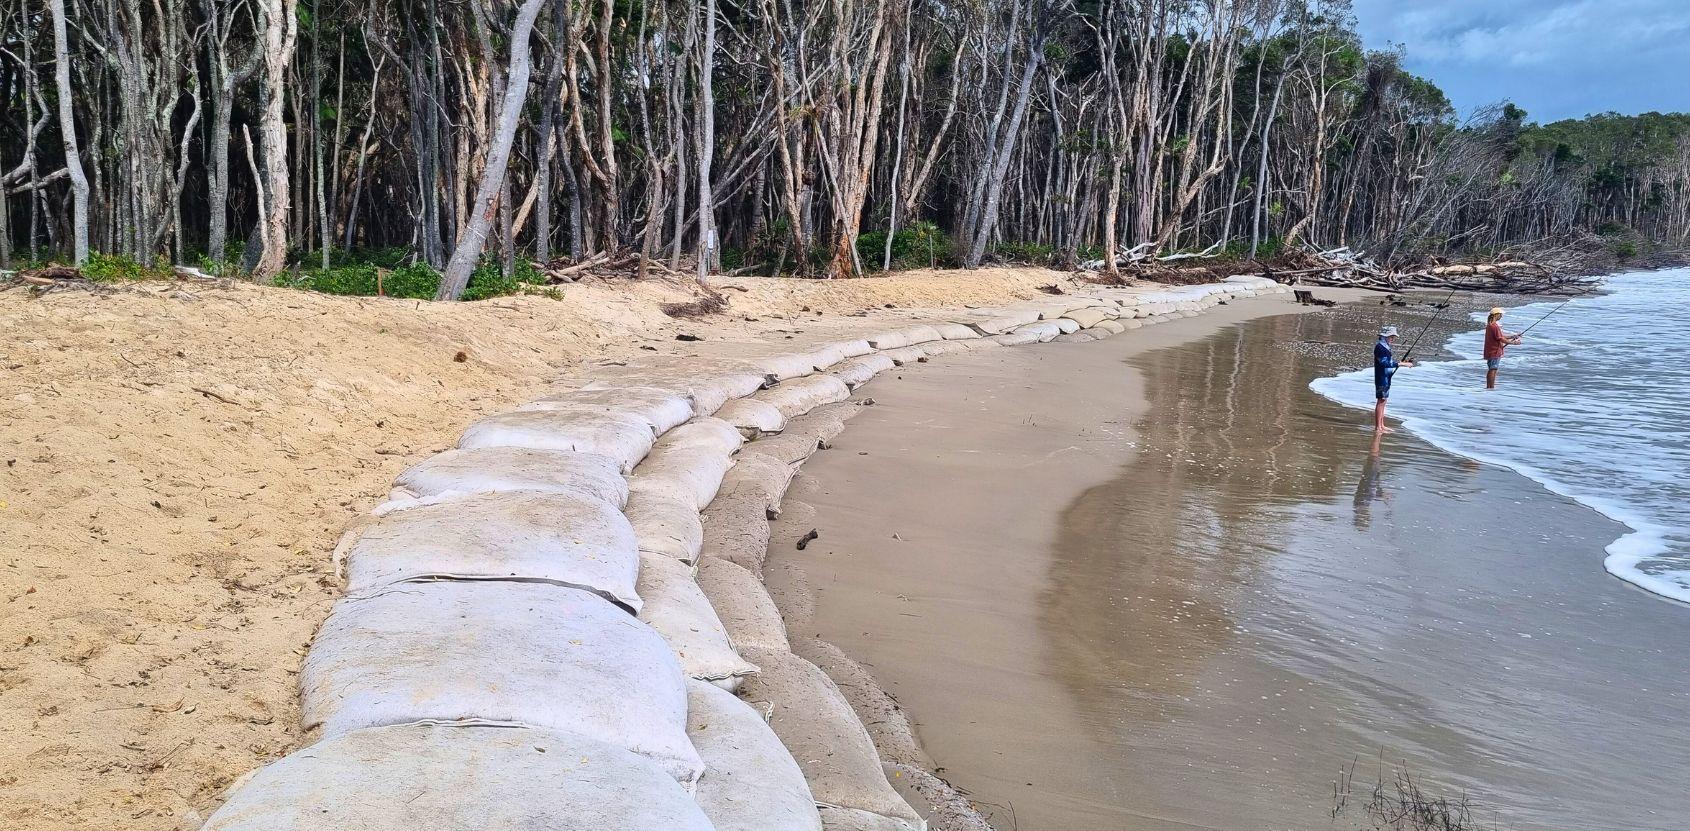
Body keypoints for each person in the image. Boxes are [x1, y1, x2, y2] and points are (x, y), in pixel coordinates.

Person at [1373, 325, 1414, 432]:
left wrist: (1400, 364)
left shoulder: (1385, 347)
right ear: (1384, 336)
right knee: (1381, 400)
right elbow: (1384, 363)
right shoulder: (1380, 347)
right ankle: (1378, 427)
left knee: (1384, 400)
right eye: (1391, 337)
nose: (1393, 339)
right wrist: (1402, 364)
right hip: (1381, 377)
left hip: (1386, 377)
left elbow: (1388, 363)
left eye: (1393, 337)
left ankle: (1381, 425)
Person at [1483, 307, 1523, 389]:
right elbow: (1500, 338)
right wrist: (1514, 343)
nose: (1501, 316)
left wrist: (1513, 336)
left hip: (1490, 351)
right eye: (1500, 315)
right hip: (1495, 351)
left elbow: (1500, 336)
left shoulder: (1490, 326)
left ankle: (1488, 387)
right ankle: (1491, 388)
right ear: (1496, 315)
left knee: (1491, 369)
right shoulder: (1494, 326)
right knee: (1493, 369)